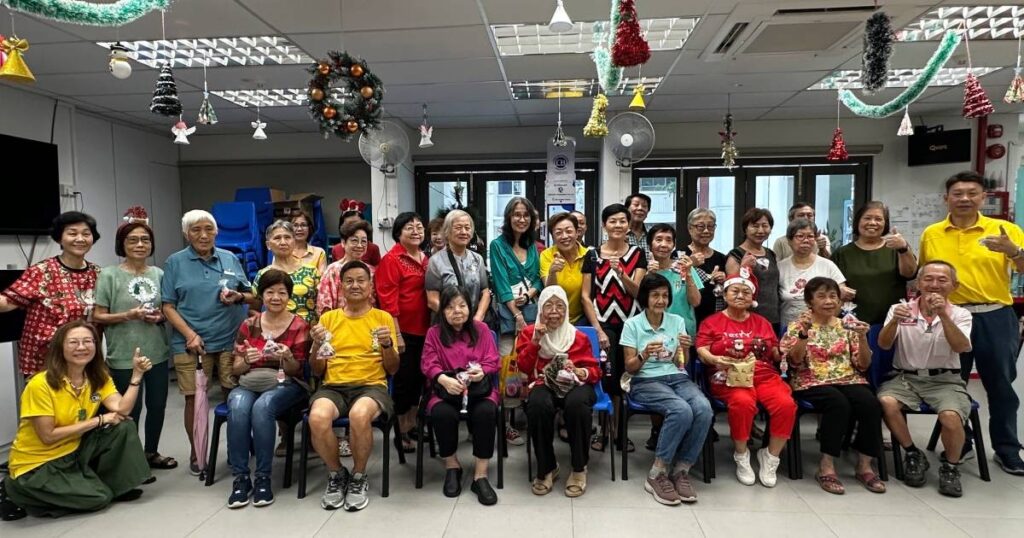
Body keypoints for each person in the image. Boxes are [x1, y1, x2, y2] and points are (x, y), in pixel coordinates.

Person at [918, 170, 1024, 474]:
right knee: (951, 382)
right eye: (958, 193)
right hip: (949, 315)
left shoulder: (1004, 230)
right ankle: (959, 443)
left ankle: (1006, 449)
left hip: (994, 315)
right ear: (946, 198)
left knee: (1000, 383)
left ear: (983, 197)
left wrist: (1014, 252)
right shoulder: (932, 233)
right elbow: (928, 276)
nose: (964, 198)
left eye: (972, 193)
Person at [1, 320, 152, 519]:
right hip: (38, 463)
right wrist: (99, 420)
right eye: (73, 342)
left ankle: (107, 485)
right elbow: (47, 436)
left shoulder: (98, 377)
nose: (81, 347)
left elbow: (122, 409)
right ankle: (14, 490)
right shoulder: (40, 384)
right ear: (59, 348)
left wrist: (136, 376)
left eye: (88, 341)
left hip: (73, 449)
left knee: (123, 425)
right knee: (99, 498)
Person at [162, 209, 256, 475]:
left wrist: (238, 297)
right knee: (194, 399)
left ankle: (240, 445)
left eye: (208, 229)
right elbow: (167, 305)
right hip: (192, 343)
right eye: (196, 230)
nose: (203, 235)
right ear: (186, 234)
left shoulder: (229, 258)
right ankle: (198, 451)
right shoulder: (175, 262)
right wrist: (190, 335)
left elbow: (249, 294)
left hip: (230, 340)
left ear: (216, 232)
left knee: (235, 394)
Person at [877, 261, 973, 497]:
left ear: (954, 285)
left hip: (945, 380)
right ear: (918, 283)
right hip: (905, 377)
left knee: (950, 417)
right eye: (928, 279)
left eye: (942, 280)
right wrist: (893, 321)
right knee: (886, 402)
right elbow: (884, 344)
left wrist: (943, 314)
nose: (934, 285)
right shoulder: (900, 308)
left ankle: (950, 467)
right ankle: (912, 453)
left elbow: (961, 347)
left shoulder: (961, 314)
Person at [780, 277, 884, 495]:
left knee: (870, 403)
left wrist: (863, 339)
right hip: (810, 380)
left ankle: (864, 465)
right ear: (810, 301)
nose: (828, 301)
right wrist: (804, 334)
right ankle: (826, 466)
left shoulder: (848, 325)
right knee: (839, 404)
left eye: (833, 296)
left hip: (848, 378)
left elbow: (863, 364)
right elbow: (794, 362)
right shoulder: (798, 326)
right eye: (821, 296)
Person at [309, 261, 399, 512]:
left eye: (361, 280)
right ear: (341, 286)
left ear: (371, 286)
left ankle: (359, 477)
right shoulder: (328, 319)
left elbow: (392, 369)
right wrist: (316, 346)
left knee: (360, 416)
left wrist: (387, 345)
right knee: (317, 417)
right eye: (349, 281)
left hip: (371, 387)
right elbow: (317, 370)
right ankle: (337, 474)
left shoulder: (382, 318)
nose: (356, 285)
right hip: (333, 386)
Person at [696, 269, 796, 487]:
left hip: (763, 374)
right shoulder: (711, 322)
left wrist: (783, 348)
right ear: (724, 294)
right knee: (742, 403)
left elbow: (774, 354)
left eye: (746, 292)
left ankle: (770, 457)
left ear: (753, 298)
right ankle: (741, 456)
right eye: (735, 291)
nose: (740, 296)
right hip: (728, 374)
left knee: (785, 404)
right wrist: (714, 359)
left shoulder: (762, 323)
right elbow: (701, 349)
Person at [92, 206, 174, 471]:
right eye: (133, 240)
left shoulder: (160, 274)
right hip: (124, 354)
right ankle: (131, 459)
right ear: (121, 244)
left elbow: (168, 311)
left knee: (158, 405)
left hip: (157, 352)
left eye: (145, 240)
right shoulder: (109, 275)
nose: (140, 245)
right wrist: (128, 315)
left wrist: (159, 317)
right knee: (130, 409)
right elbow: (98, 316)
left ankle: (151, 452)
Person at [621, 273, 712, 505]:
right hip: (645, 380)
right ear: (645, 298)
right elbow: (630, 368)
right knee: (681, 410)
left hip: (676, 376)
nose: (660, 300)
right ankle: (657, 473)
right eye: (655, 295)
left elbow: (681, 363)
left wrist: (684, 349)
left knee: (703, 408)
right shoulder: (632, 324)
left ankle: (681, 469)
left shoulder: (676, 322)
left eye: (664, 296)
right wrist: (645, 354)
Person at [226, 269, 310, 508]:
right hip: (250, 379)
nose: (276, 297)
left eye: (282, 293)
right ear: (261, 295)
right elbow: (236, 369)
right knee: (239, 406)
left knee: (263, 408)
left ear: (289, 296)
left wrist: (288, 357)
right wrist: (247, 360)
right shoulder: (248, 324)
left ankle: (263, 478)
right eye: (270, 292)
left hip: (287, 383)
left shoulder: (299, 325)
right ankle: (241, 478)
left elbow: (298, 371)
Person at [516, 286, 600, 498]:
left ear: (567, 310)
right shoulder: (529, 332)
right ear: (540, 310)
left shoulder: (578, 336)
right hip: (544, 384)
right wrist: (535, 341)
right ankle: (547, 468)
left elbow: (595, 372)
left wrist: (579, 371)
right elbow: (524, 368)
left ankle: (579, 468)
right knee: (537, 404)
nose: (554, 311)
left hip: (575, 385)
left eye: (560, 306)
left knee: (577, 404)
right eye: (548, 306)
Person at [420, 286, 500, 505]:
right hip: (446, 391)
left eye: (462, 305)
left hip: (478, 390)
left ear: (469, 307)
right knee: (442, 414)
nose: (457, 311)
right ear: (442, 311)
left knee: (486, 412)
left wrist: (481, 371)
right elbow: (428, 363)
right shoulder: (434, 333)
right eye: (450, 307)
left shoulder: (481, 329)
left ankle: (480, 475)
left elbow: (493, 360)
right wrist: (443, 379)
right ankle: (452, 465)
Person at [0, 211, 101, 378]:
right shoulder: (42, 271)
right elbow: (7, 301)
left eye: (86, 233)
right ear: (60, 238)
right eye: (72, 233)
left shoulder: (99, 274)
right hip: (44, 360)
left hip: (83, 360)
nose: (80, 238)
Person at [581, 203, 647, 453]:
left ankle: (620, 432)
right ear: (603, 225)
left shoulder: (637, 255)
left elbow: (638, 292)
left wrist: (621, 273)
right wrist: (597, 329)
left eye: (622, 221)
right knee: (606, 377)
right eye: (612, 221)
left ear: (628, 225)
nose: (618, 225)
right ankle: (603, 431)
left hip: (630, 327)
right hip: (603, 326)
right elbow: (586, 296)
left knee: (624, 379)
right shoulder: (592, 254)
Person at [831, 201, 916, 386]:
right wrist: (839, 290)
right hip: (853, 325)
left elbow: (910, 273)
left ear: (885, 224)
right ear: (858, 222)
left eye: (878, 219)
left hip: (889, 325)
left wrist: (903, 248)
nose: (873, 223)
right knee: (855, 376)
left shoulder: (896, 249)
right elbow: (831, 286)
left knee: (886, 378)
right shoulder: (842, 253)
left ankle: (886, 412)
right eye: (867, 218)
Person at [489, 197, 543, 447]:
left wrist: (530, 295)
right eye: (516, 214)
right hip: (511, 319)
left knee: (530, 367)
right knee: (508, 368)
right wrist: (517, 314)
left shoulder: (536, 246)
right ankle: (507, 423)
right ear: (509, 218)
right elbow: (500, 283)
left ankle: (530, 416)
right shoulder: (497, 246)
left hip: (532, 314)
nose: (522, 219)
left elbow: (538, 280)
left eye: (526, 215)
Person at [375, 211, 430, 452]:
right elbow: (388, 302)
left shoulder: (425, 257)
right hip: (404, 331)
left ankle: (413, 425)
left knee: (420, 380)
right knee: (404, 383)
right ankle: (401, 432)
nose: (416, 230)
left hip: (425, 330)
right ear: (398, 233)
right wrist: (396, 335)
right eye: (410, 227)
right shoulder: (392, 260)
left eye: (419, 226)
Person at [777, 218, 850, 329]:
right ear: (789, 241)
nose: (806, 240)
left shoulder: (828, 265)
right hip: (788, 328)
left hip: (824, 328)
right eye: (800, 236)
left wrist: (828, 323)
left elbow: (841, 296)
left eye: (810, 236)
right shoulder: (780, 267)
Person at [425, 210, 490, 321]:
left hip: (473, 323)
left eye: (467, 228)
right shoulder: (435, 261)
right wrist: (455, 317)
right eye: (458, 228)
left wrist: (478, 317)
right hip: (446, 324)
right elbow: (432, 300)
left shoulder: (477, 259)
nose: (464, 232)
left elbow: (485, 292)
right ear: (447, 231)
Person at [726, 208, 781, 329]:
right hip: (747, 318)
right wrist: (743, 267)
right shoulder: (736, 254)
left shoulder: (771, 254)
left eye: (765, 226)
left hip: (773, 317)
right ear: (745, 229)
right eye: (755, 226)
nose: (760, 230)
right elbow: (732, 288)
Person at [256, 220, 320, 324]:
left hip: (309, 333)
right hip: (276, 333)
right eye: (277, 238)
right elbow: (254, 308)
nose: (283, 242)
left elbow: (321, 305)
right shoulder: (263, 275)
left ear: (294, 242)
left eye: (287, 237)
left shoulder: (311, 272)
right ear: (268, 245)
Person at [318, 220, 375, 315]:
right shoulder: (333, 270)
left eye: (364, 241)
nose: (360, 245)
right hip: (339, 324)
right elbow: (324, 303)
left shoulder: (372, 271)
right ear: (343, 243)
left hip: (367, 323)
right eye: (354, 240)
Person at [682, 208, 728, 327]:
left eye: (711, 226)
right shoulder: (680, 255)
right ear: (690, 228)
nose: (706, 231)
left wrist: (725, 280)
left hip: (715, 320)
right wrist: (690, 264)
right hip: (687, 318)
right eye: (700, 226)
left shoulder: (722, 258)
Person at [540, 212, 588, 324]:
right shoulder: (547, 255)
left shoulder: (588, 255)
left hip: (583, 318)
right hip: (554, 319)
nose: (564, 236)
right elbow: (549, 293)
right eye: (558, 233)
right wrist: (552, 272)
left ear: (577, 233)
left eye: (569, 231)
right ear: (553, 237)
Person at [290, 210, 327, 275]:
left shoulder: (319, 253)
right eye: (295, 225)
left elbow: (322, 281)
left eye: (303, 225)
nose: (299, 229)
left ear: (309, 228)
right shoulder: (283, 252)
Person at [625, 193, 653, 260]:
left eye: (644, 206)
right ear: (626, 209)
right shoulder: (619, 235)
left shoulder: (652, 236)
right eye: (636, 205)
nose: (640, 208)